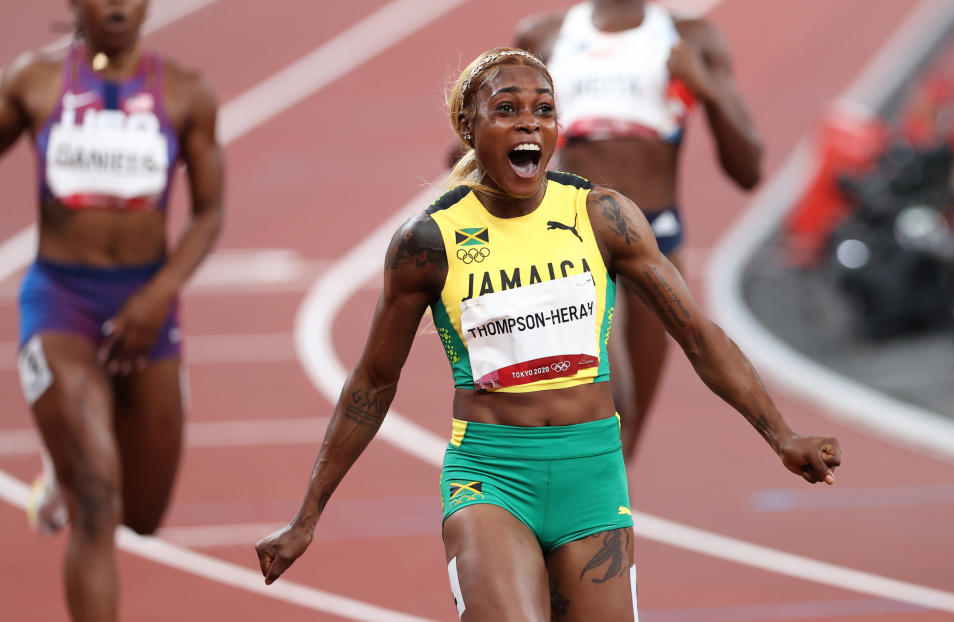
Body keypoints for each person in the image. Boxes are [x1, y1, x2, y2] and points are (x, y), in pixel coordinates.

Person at [255, 48, 837, 621]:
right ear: (468, 125)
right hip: (491, 478)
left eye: (544, 108)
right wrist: (307, 516)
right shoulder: (427, 243)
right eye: (506, 108)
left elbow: (699, 336)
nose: (529, 121)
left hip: (593, 475)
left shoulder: (603, 217)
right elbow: (374, 382)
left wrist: (782, 436)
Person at [0, 0, 223, 619]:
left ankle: (62, 460)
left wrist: (158, 297)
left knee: (143, 515)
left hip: (147, 309)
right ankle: (71, 460)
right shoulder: (33, 82)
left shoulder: (186, 92)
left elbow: (209, 212)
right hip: (59, 303)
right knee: (96, 497)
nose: (118, 4)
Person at [515, 0, 764, 460]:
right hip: (573, 235)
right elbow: (492, 137)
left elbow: (748, 169)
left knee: (625, 443)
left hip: (656, 238)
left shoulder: (691, 37)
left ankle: (598, 528)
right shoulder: (543, 36)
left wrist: (706, 87)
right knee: (611, 405)